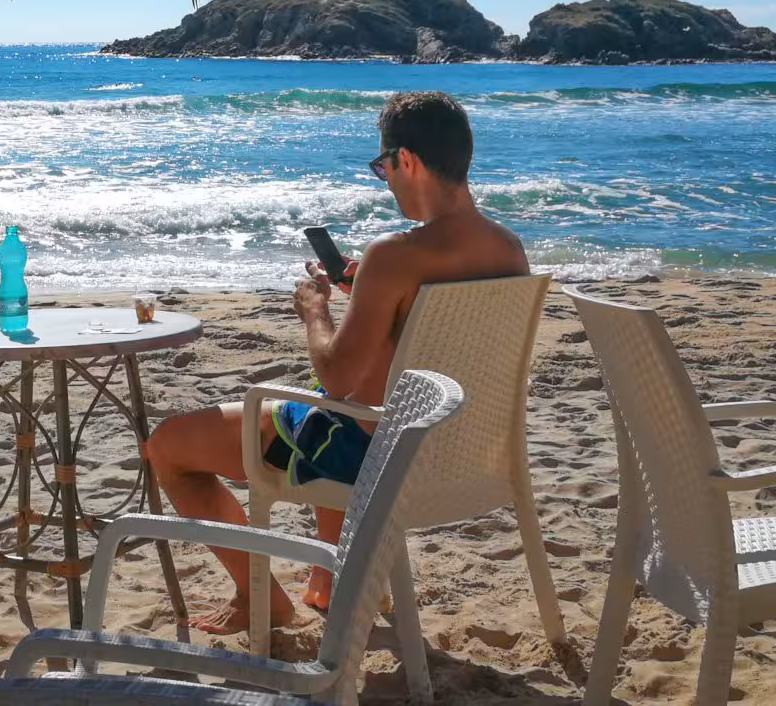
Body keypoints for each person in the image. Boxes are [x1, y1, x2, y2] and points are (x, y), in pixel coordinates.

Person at [144, 90, 528, 634]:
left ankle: (264, 598)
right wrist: (367, 294)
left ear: (408, 161)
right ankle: (327, 579)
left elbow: (336, 374)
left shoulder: (394, 254)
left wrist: (315, 310)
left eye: (382, 167)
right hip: (462, 450)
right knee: (340, 411)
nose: (385, 181)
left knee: (170, 445)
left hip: (374, 460)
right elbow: (423, 345)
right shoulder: (508, 248)